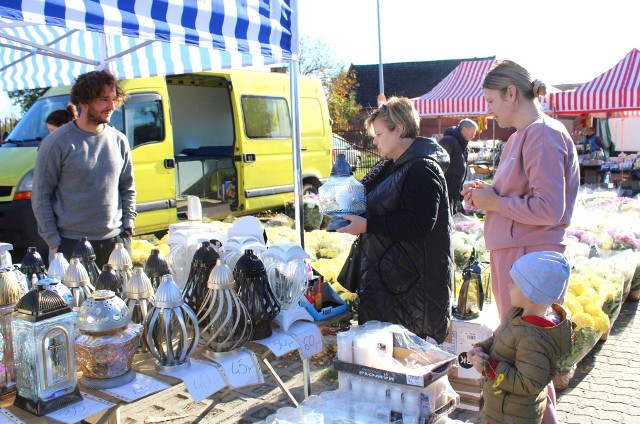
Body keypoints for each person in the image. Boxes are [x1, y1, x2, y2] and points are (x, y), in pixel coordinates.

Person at [461, 60, 580, 320]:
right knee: (516, 344)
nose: (488, 111)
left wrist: (495, 203)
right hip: (521, 253)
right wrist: (487, 194)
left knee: (525, 348)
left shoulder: (543, 134)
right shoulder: (522, 135)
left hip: (529, 256)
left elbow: (549, 209)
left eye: (490, 101)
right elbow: (520, 193)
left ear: (511, 93)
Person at [336, 96, 453, 343]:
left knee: (402, 362)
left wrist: (368, 226)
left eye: (378, 134)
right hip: (389, 280)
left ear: (398, 130)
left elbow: (421, 224)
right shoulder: (392, 164)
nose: (374, 140)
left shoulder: (422, 168)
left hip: (410, 287)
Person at [32, 69, 136, 268]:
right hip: (71, 245)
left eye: (113, 99)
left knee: (121, 299)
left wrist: (128, 229)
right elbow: (40, 195)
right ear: (84, 101)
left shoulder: (119, 140)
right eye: (103, 99)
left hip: (116, 242)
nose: (111, 106)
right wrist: (53, 243)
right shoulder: (56, 143)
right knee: (76, 301)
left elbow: (128, 188)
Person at [467, 251, 573, 424]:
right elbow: (499, 338)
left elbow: (527, 383)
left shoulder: (534, 337)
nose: (508, 286)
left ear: (530, 294)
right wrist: (483, 348)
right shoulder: (518, 315)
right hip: (502, 410)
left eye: (514, 283)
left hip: (513, 417)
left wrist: (488, 366)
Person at [438, 118, 478, 214]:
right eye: (473, 132)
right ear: (464, 129)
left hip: (453, 191)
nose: (474, 135)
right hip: (445, 190)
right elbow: (439, 163)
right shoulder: (449, 140)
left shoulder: (461, 143)